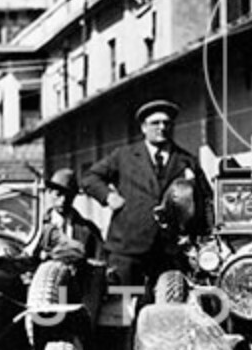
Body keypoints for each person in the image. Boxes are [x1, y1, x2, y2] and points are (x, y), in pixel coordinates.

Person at [81, 98, 212, 292]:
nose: (162, 127)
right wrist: (108, 197)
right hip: (127, 248)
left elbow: (206, 198)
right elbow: (90, 178)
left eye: (167, 123)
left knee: (170, 301)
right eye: (155, 123)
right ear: (143, 128)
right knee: (125, 304)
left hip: (169, 251)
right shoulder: (124, 156)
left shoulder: (186, 160)